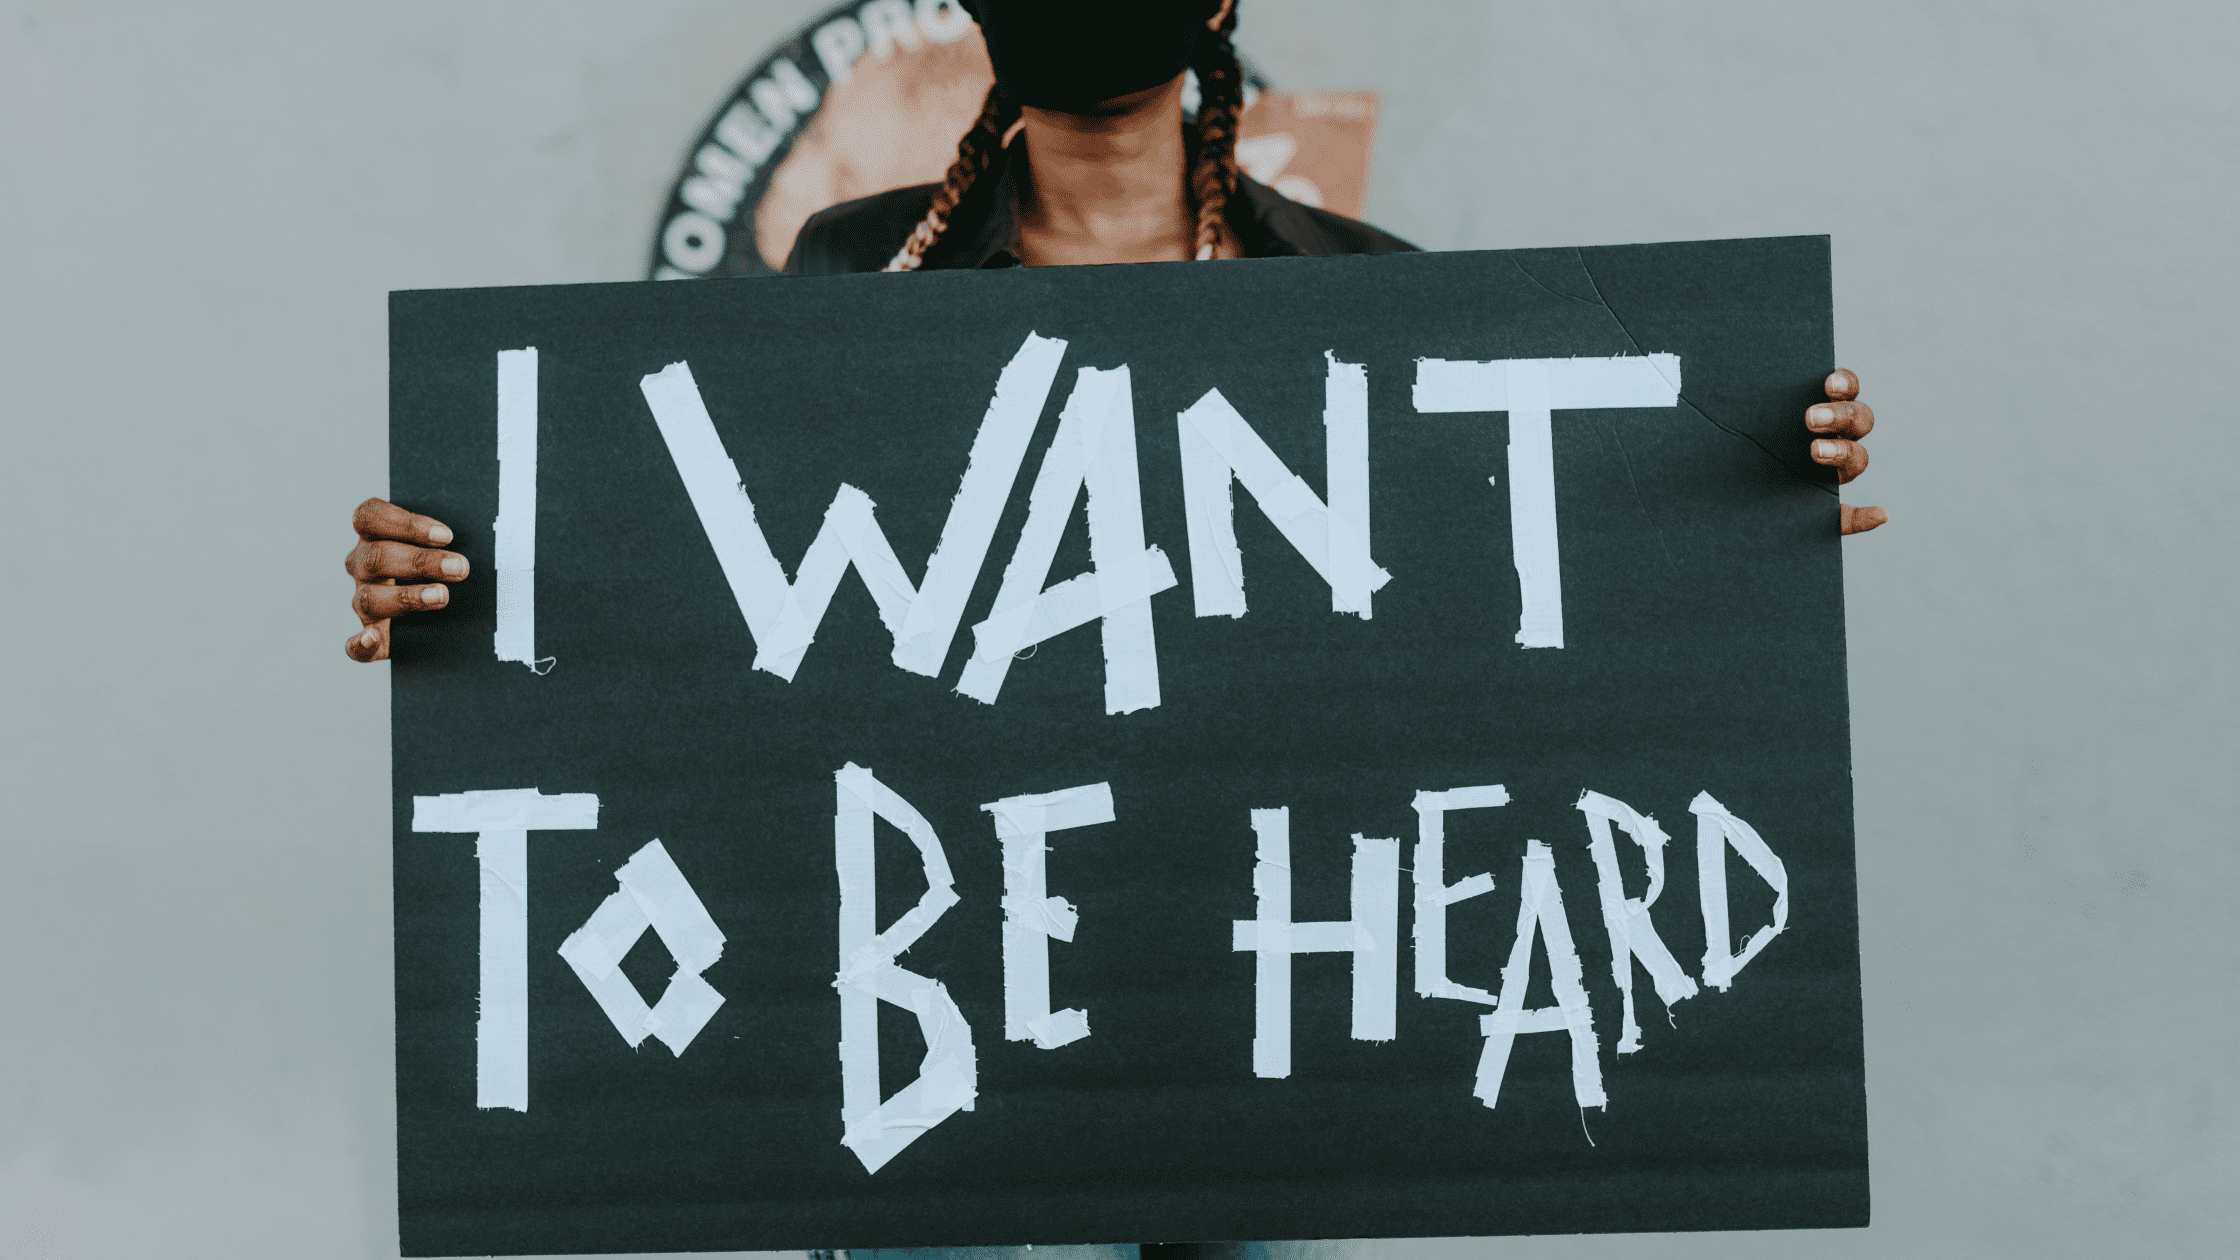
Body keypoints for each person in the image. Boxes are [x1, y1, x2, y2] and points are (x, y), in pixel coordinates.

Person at [343, 0, 1883, 658]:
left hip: (1277, 1006)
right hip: (953, 1015)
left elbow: (1491, 594)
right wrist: (463, 580)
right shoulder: (852, 274)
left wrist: (1733, 503)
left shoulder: (1375, 297)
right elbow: (712, 582)